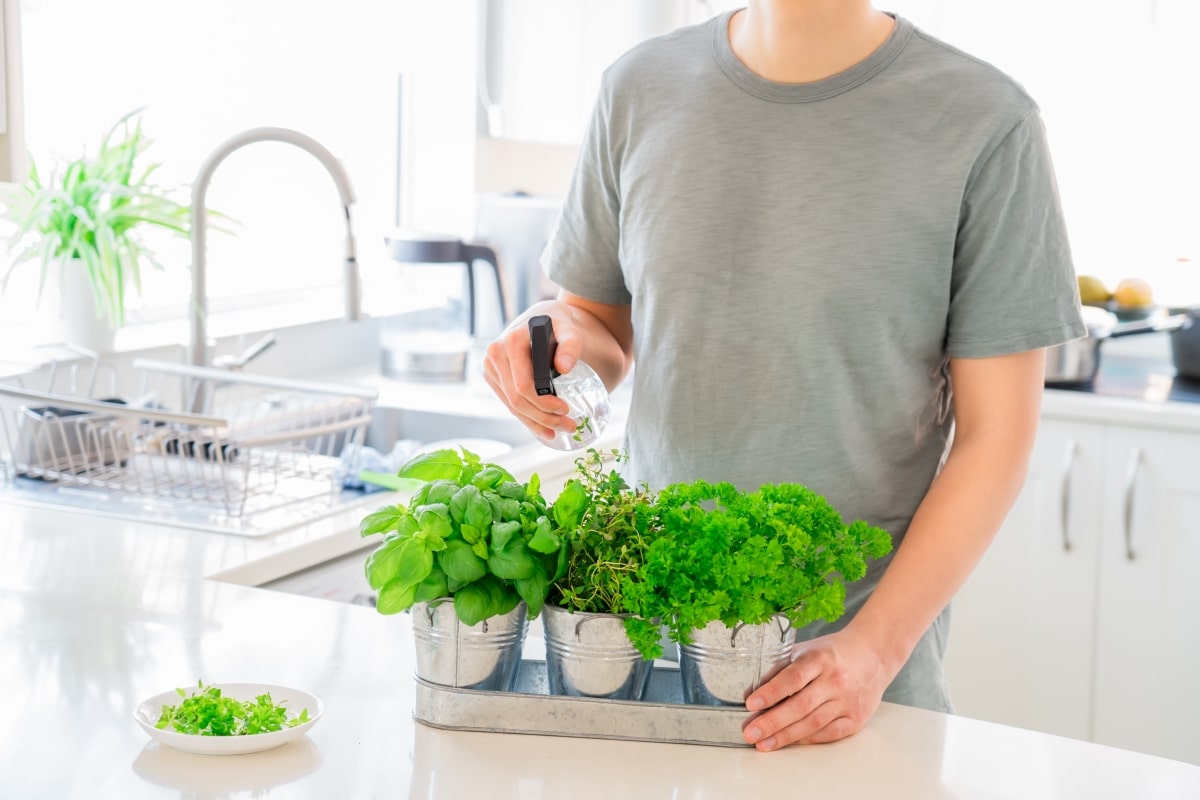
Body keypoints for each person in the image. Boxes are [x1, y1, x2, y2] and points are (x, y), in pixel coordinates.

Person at [483, 0, 1085, 752]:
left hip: (849, 694)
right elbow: (599, 325)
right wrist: (546, 340)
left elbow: (996, 438)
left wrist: (872, 653)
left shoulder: (985, 121)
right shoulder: (638, 88)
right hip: (642, 672)